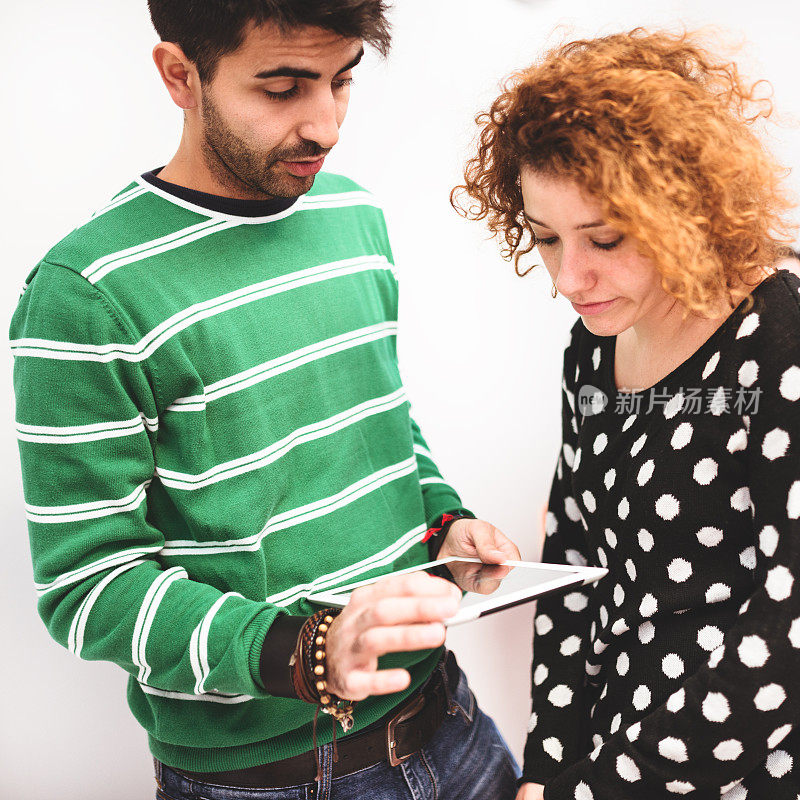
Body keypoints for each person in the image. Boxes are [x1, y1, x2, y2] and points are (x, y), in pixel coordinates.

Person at [9, 2, 522, 798]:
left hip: (452, 723)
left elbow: (380, 426)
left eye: (341, 81)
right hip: (274, 781)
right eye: (283, 88)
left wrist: (446, 525)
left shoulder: (352, 215)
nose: (326, 125)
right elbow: (88, 587)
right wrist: (307, 651)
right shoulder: (87, 294)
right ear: (180, 75)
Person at [454, 27, 800, 799]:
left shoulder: (780, 336)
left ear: (685, 206)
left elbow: (788, 628)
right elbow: (573, 573)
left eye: (604, 238)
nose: (569, 278)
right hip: (609, 755)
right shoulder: (592, 346)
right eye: (545, 239)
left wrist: (600, 787)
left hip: (742, 770)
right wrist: (550, 769)